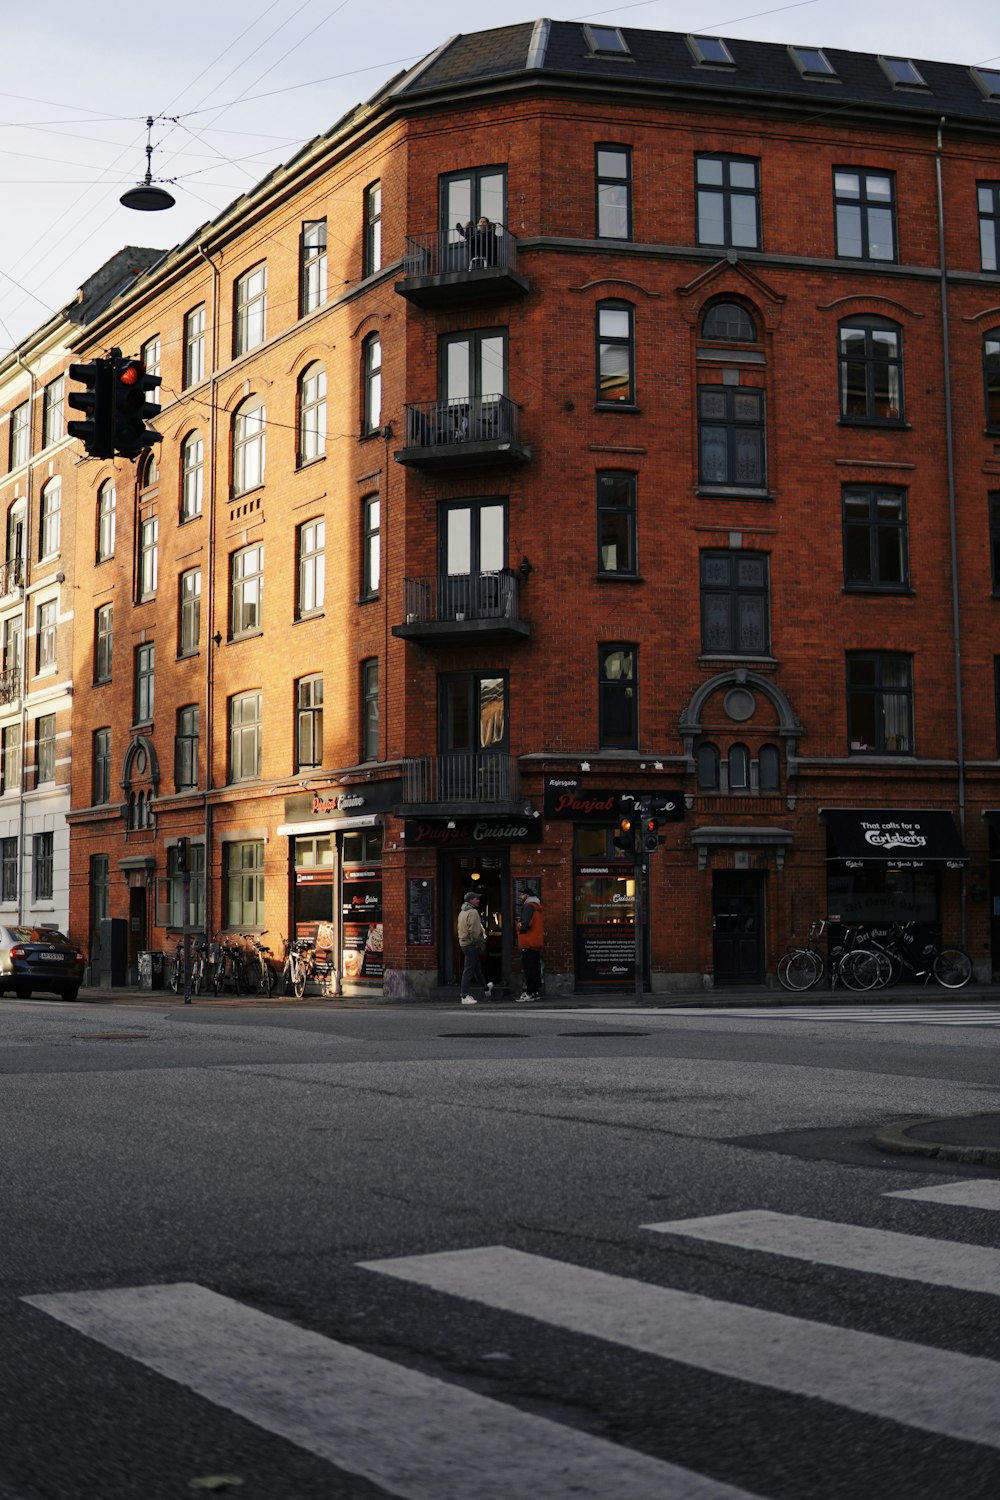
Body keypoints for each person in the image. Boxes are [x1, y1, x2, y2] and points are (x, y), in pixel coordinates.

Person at [457, 890, 493, 1005]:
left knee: (476, 967)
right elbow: (474, 931)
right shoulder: (472, 912)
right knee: (469, 969)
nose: (478, 900)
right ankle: (464, 995)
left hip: (464, 943)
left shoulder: (462, 912)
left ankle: (486, 987)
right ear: (471, 900)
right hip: (471, 944)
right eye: (476, 898)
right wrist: (479, 943)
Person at [516, 886, 544, 1002]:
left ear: (527, 895)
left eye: (522, 895)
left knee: (529, 969)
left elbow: (525, 924)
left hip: (528, 941)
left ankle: (529, 992)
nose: (520, 897)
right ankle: (535, 991)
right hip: (535, 941)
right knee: (535, 968)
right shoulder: (536, 907)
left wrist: (518, 926)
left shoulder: (528, 906)